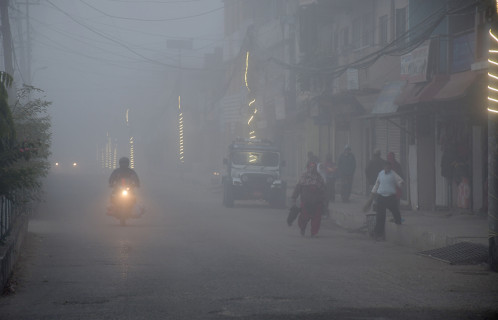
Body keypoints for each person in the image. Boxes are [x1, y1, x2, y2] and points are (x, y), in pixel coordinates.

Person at [291, 161, 326, 238]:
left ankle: (313, 232)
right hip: (306, 202)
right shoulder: (304, 177)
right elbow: (298, 188)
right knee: (304, 217)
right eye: (310, 166)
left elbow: (323, 191)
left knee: (316, 219)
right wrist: (294, 197)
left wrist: (324, 201)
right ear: (307, 167)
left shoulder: (319, 178)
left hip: (317, 202)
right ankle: (302, 228)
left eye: (313, 167)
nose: (312, 168)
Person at [371, 161, 404, 241]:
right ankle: (378, 233)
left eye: (389, 167)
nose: (387, 169)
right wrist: (373, 192)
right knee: (380, 216)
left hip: (391, 197)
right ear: (384, 167)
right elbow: (377, 184)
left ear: (390, 168)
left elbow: (400, 181)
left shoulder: (393, 174)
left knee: (395, 211)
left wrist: (401, 185)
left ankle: (398, 222)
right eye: (386, 167)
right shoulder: (380, 174)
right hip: (381, 197)